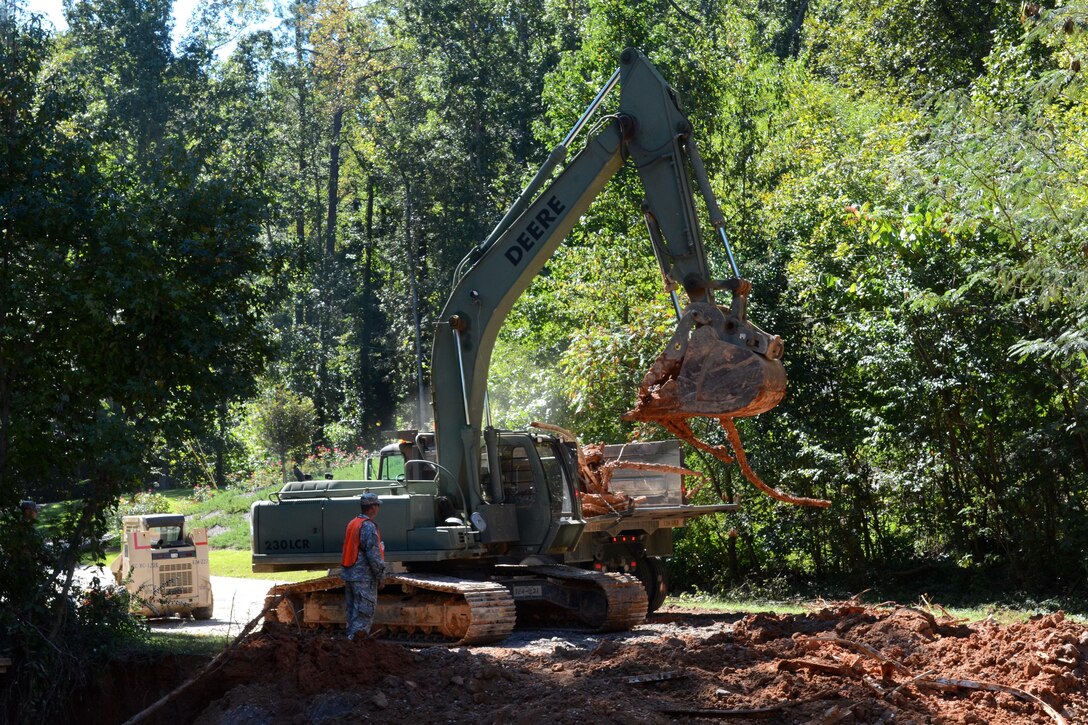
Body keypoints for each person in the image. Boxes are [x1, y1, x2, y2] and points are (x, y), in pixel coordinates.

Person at [341, 492, 386, 640]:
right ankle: (356, 647)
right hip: (364, 577)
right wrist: (380, 575)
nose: (378, 508)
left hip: (350, 574)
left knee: (353, 613)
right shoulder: (368, 527)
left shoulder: (353, 523)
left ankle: (349, 643)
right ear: (372, 507)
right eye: (377, 505)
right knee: (363, 613)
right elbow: (373, 554)